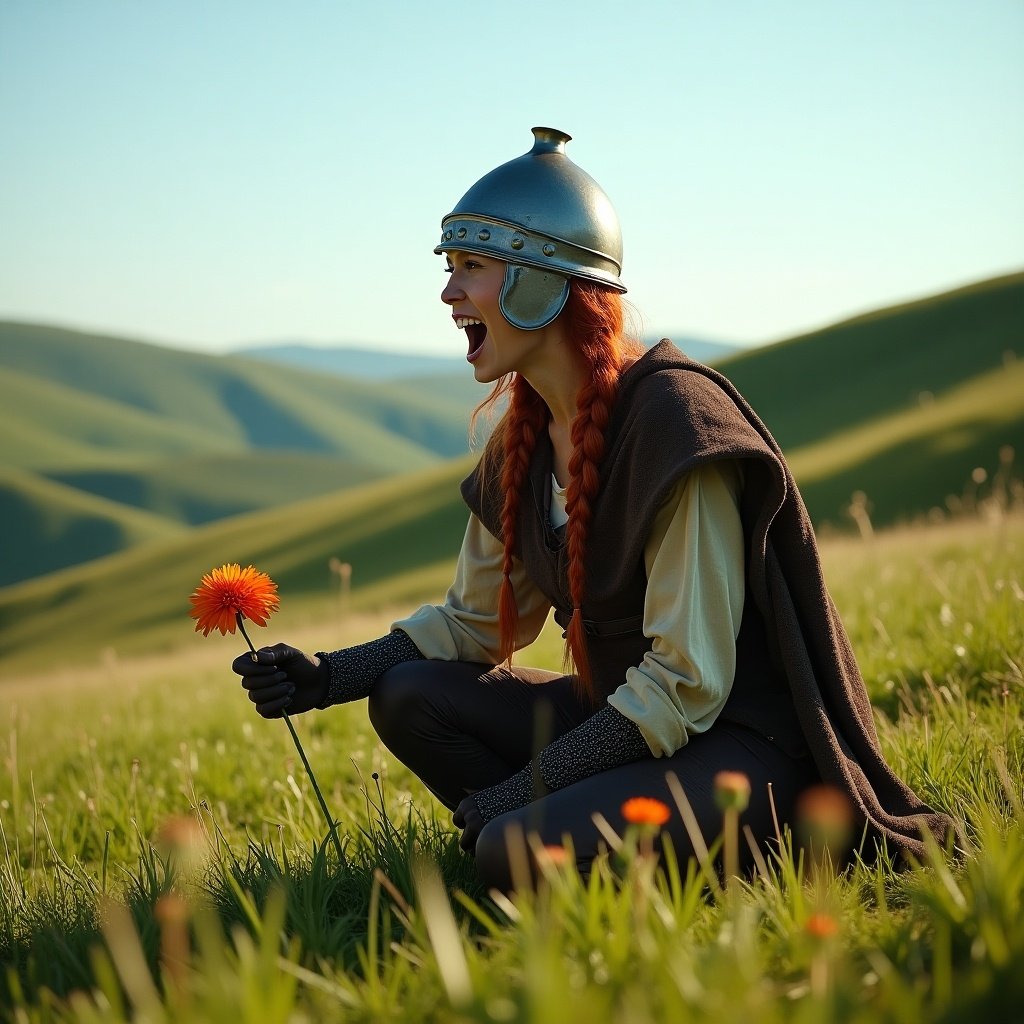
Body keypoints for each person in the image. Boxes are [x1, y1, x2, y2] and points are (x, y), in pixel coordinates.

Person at [233, 127, 951, 892]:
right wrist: (330, 676)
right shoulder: (526, 435)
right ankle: (557, 842)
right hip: (635, 732)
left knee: (508, 850)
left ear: (539, 284)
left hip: (749, 756)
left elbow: (685, 683)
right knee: (409, 696)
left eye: (471, 269)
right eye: (450, 270)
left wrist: (522, 791)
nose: (448, 294)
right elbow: (478, 625)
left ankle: (602, 854)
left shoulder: (676, 424)